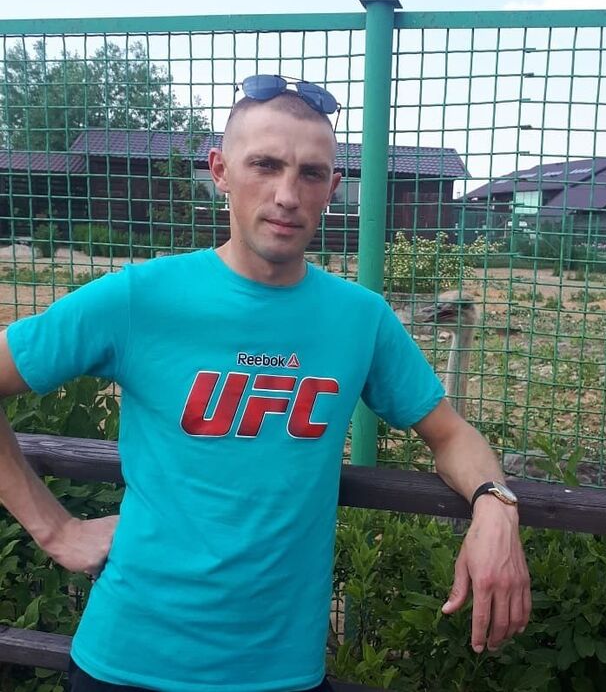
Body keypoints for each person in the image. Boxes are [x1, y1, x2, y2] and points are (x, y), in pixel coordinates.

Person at [0, 75, 530, 692]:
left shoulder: (359, 319)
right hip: (128, 662)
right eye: (265, 165)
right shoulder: (139, 298)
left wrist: (496, 505)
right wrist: (57, 530)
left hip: (281, 672)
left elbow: (450, 434)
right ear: (220, 171)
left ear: (333, 189)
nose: (286, 195)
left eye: (310, 174)